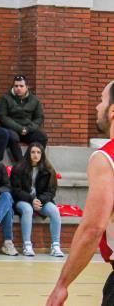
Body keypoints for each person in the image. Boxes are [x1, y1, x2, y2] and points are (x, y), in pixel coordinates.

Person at [46, 81, 114, 306]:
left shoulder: (105, 158)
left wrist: (62, 285)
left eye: (102, 100)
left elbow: (93, 228)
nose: (97, 106)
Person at [10, 142, 63, 257]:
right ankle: (27, 245)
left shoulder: (48, 170)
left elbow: (51, 190)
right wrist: (31, 199)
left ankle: (55, 245)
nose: (35, 155)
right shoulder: (18, 168)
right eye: (33, 152)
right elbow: (16, 190)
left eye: (38, 152)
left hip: (40, 201)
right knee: (28, 209)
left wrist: (39, 200)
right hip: (22, 200)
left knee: (54, 211)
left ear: (42, 154)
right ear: (28, 153)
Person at [0, 75, 48, 148]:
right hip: (12, 129)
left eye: (21, 86)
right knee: (13, 138)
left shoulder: (34, 99)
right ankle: (20, 159)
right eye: (16, 86)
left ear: (27, 87)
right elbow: (2, 117)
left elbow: (39, 118)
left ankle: (34, 158)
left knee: (42, 136)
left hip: (28, 130)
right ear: (13, 87)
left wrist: (28, 129)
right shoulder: (6, 98)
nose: (18, 88)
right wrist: (19, 128)